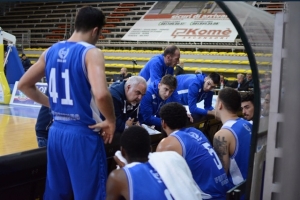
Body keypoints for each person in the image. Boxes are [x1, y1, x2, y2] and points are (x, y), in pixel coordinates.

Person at [17, 6, 116, 199]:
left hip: (56, 132)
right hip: (82, 133)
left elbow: (24, 85)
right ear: (96, 30)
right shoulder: (91, 52)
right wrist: (111, 120)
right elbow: (102, 95)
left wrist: (53, 105)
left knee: (56, 194)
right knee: (89, 194)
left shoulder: (50, 51)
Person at [106, 126, 202, 200]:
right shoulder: (173, 156)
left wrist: (123, 169)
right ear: (150, 149)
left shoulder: (118, 177)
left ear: (123, 152)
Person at [156, 102, 229, 199]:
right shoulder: (196, 131)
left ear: (163, 123)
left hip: (210, 197)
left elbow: (159, 180)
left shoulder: (167, 144)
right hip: (226, 189)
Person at [213, 88, 252, 190]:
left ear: (220, 105)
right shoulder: (247, 123)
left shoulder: (222, 135)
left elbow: (220, 176)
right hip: (253, 187)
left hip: (238, 192)